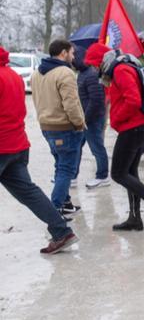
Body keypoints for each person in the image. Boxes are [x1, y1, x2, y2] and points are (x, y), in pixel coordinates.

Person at [84, 43, 144, 231]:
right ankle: (135, 218)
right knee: (130, 173)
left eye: (94, 64)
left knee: (118, 173)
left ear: (101, 61)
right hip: (138, 127)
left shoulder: (121, 70)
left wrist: (116, 118)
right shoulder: (120, 69)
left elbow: (133, 100)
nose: (93, 69)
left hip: (133, 128)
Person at [0, 45, 78, 254]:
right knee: (29, 192)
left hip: (3, 145)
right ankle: (61, 232)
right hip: (17, 145)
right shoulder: (13, 76)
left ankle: (62, 232)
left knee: (29, 192)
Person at [30, 39, 86, 217]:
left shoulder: (37, 73)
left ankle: (65, 203)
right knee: (66, 169)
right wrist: (79, 124)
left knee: (60, 165)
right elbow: (71, 104)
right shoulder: (65, 72)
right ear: (63, 53)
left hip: (47, 126)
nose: (74, 56)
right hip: (65, 127)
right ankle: (55, 211)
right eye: (72, 52)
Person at [74, 47, 110, 189]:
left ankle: (103, 176)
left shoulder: (91, 75)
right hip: (85, 119)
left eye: (74, 57)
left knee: (97, 148)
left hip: (92, 119)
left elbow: (96, 101)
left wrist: (85, 120)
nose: (72, 60)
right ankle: (72, 175)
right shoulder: (82, 74)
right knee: (77, 147)